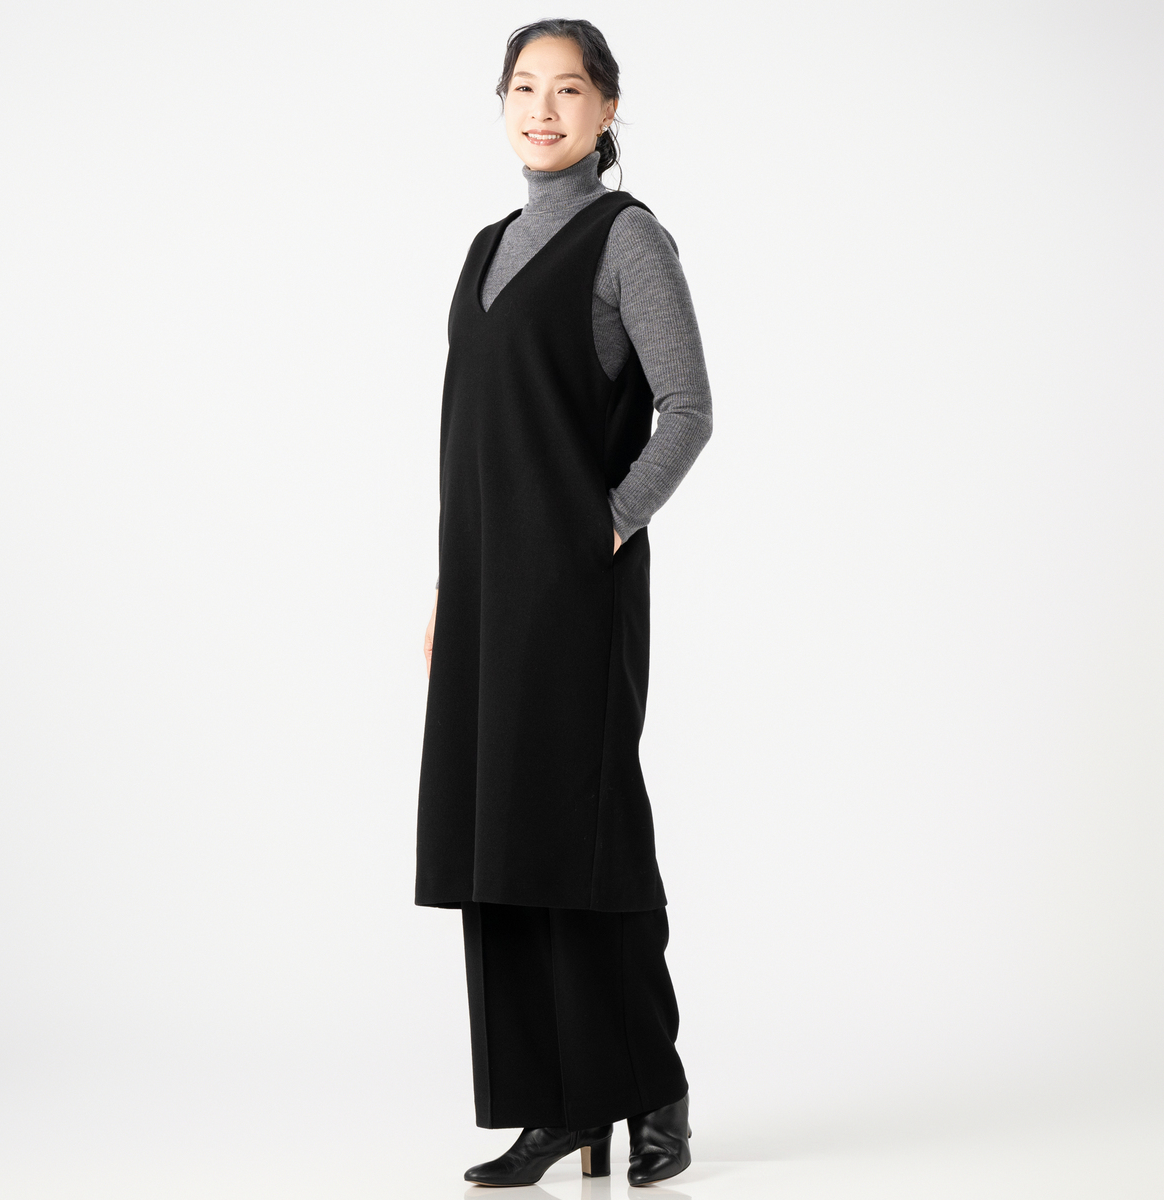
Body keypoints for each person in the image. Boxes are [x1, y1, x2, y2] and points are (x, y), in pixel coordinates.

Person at [415, 18, 712, 1188]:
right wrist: (452, 585)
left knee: (585, 840)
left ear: (607, 108)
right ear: (501, 103)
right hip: (486, 595)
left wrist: (605, 525)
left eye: (569, 89)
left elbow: (688, 408)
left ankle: (650, 1092)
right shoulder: (485, 248)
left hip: (575, 593)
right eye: (524, 88)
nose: (543, 109)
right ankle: (552, 1109)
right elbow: (472, 442)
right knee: (498, 844)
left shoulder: (627, 238)